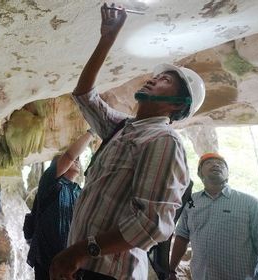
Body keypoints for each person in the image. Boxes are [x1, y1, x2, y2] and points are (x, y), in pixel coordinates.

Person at [49, 3, 206, 280]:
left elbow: (151, 224)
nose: (153, 80)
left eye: (165, 80)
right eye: (156, 76)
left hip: (109, 272)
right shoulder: (122, 127)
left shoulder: (164, 140)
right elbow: (85, 95)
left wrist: (81, 251)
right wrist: (107, 38)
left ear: (177, 104)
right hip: (83, 266)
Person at [169, 153, 258, 280]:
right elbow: (182, 237)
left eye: (221, 164)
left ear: (228, 175)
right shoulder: (190, 202)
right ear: (200, 173)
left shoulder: (252, 204)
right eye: (209, 162)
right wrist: (171, 270)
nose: (216, 164)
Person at [27, 130, 96, 280]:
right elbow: (69, 155)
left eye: (78, 159)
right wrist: (91, 132)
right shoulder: (51, 183)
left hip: (73, 261)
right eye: (73, 160)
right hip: (47, 259)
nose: (76, 161)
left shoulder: (80, 191)